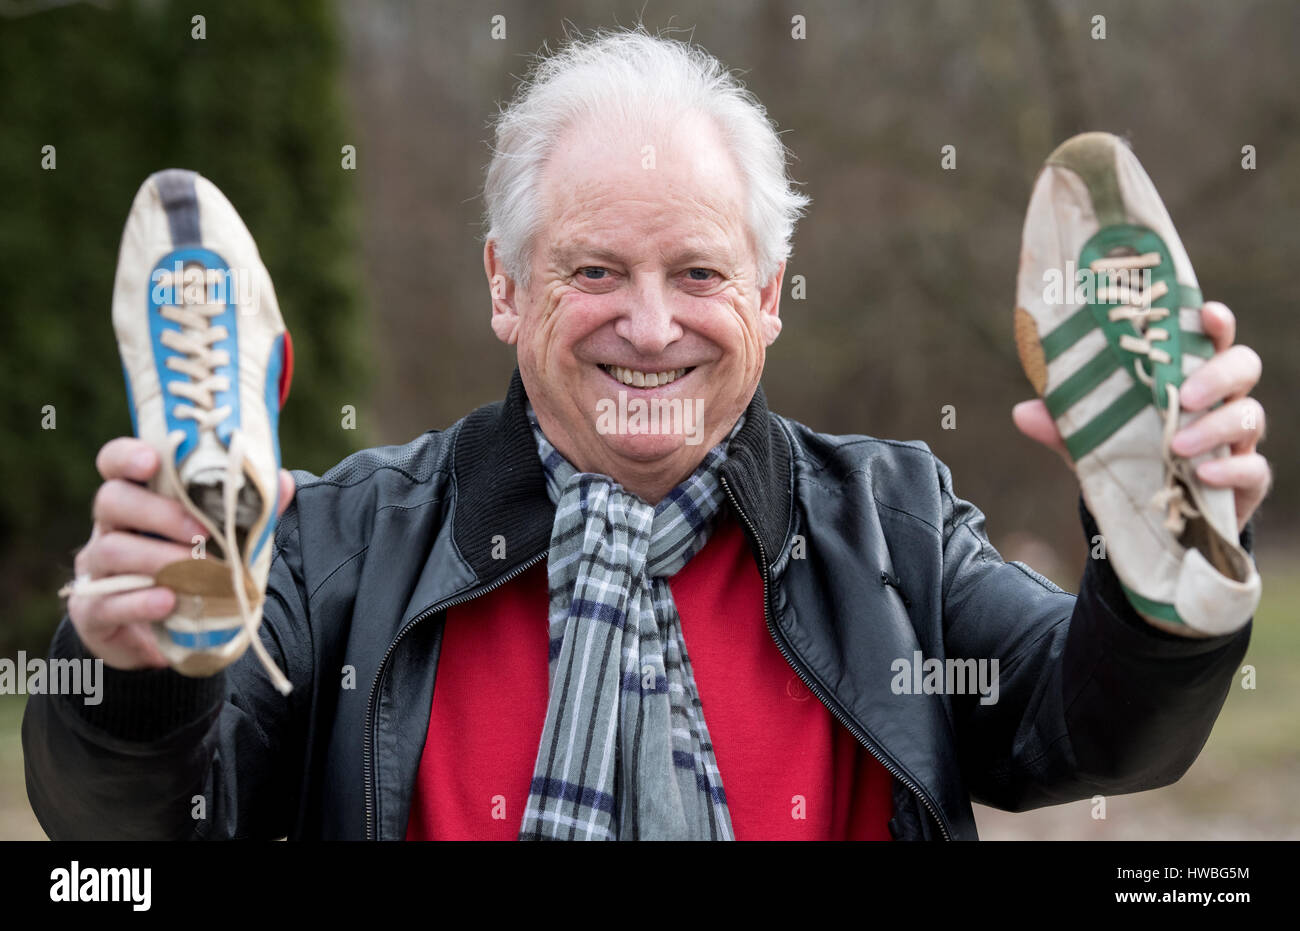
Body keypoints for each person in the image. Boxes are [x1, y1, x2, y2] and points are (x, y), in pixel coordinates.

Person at [23, 28, 1269, 841]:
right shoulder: (338, 543)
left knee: (1161, 584)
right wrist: (133, 671)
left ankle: (1169, 529)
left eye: (701, 274)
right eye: (594, 272)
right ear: (505, 288)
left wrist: (1152, 586)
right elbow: (125, 845)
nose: (653, 324)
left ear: (771, 299)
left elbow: (1096, 730)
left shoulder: (885, 527)